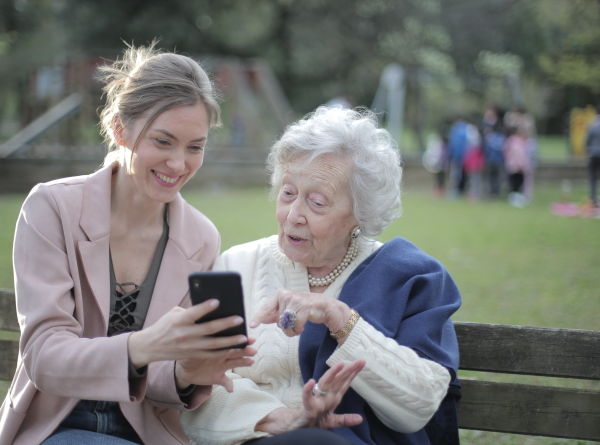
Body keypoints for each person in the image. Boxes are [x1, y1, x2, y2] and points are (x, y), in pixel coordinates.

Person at [0, 42, 256, 445]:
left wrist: (185, 373)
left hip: (146, 433)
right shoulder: (52, 208)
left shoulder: (201, 238)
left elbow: (161, 376)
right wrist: (143, 345)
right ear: (120, 129)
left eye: (195, 147)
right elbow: (44, 357)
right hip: (57, 425)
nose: (178, 164)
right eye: (163, 141)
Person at [181, 107, 462, 445]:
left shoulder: (410, 276)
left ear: (361, 213)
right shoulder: (237, 265)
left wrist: (340, 318)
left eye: (316, 202)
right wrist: (281, 419)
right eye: (287, 193)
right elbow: (197, 383)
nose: (293, 215)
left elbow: (420, 405)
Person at [586, 106, 600, 206]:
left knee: (593, 177)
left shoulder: (592, 124)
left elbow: (587, 141)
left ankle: (593, 198)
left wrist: (588, 151)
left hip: (593, 154)